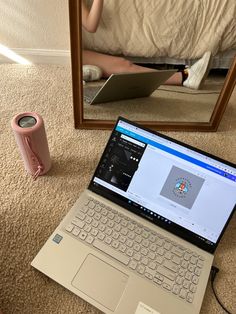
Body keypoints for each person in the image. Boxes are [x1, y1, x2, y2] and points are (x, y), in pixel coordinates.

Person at [82, 0, 212, 90]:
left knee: (123, 64)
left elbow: (90, 25)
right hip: (66, 54)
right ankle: (185, 77)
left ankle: (186, 76)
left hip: (75, 51)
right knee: (121, 68)